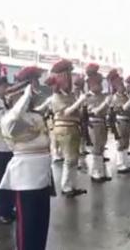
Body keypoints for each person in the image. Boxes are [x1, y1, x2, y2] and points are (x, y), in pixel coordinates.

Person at [0, 66, 53, 250]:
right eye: (22, 95)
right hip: (26, 179)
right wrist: (25, 94)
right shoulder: (8, 120)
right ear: (14, 97)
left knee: (41, 223)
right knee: (27, 225)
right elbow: (14, 118)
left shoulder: (35, 116)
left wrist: (35, 92)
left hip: (43, 177)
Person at [48, 59, 87, 197]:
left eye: (69, 76)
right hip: (65, 128)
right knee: (69, 159)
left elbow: (76, 111)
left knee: (74, 159)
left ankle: (71, 185)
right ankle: (66, 187)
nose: (69, 80)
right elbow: (65, 112)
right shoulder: (56, 96)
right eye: (66, 77)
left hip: (73, 128)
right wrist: (80, 101)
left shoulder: (69, 95)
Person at [0, 71, 14, 225]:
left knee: (7, 179)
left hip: (6, 146)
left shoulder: (3, 100)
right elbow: (0, 123)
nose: (6, 88)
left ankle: (6, 208)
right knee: (1, 180)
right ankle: (1, 212)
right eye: (5, 86)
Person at [85, 64, 111, 182]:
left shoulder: (103, 96)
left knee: (101, 146)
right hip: (94, 124)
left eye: (100, 83)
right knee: (96, 147)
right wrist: (105, 104)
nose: (100, 86)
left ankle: (101, 171)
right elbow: (93, 111)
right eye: (97, 83)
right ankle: (95, 173)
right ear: (91, 85)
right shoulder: (88, 97)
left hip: (102, 122)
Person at [107, 69, 130, 173]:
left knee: (126, 143)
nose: (123, 86)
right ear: (116, 87)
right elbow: (120, 109)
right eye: (120, 85)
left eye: (122, 84)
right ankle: (120, 164)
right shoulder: (115, 97)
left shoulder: (125, 96)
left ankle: (126, 163)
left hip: (127, 120)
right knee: (121, 143)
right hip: (120, 121)